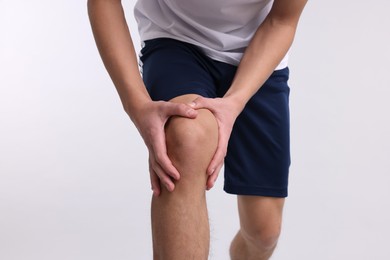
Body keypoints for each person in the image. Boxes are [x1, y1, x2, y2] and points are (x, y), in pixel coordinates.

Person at [88, 0, 307, 259]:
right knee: (187, 137)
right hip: (176, 37)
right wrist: (136, 105)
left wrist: (235, 101)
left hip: (259, 50)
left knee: (263, 233)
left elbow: (282, 20)